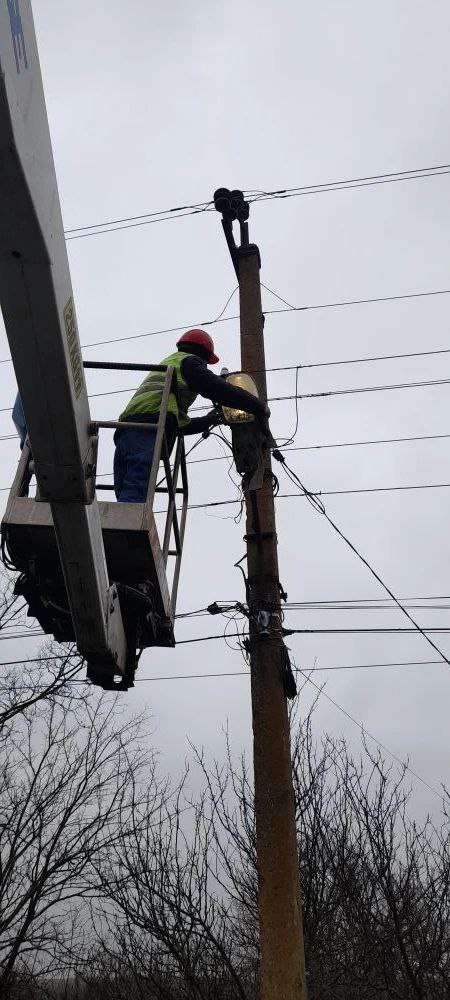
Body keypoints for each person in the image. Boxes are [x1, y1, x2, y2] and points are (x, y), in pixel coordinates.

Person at [113, 328, 270, 502]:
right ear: (203, 355)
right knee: (137, 487)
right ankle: (127, 528)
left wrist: (209, 420)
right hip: (148, 431)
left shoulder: (169, 367)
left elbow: (180, 425)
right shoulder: (189, 363)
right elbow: (217, 388)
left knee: (125, 490)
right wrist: (258, 406)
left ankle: (116, 526)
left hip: (126, 431)